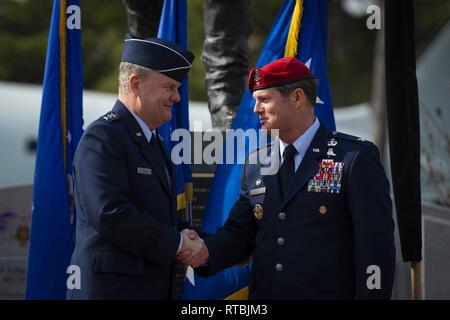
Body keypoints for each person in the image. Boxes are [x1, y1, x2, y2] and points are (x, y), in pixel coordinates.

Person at [178, 57, 396, 299]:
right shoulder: (256, 164)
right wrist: (204, 250)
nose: (255, 109)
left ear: (297, 98)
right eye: (255, 101)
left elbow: (375, 249)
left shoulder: (353, 157)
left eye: (264, 99)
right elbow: (241, 234)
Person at [67, 37, 207, 299]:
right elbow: (110, 213)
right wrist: (178, 243)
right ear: (135, 83)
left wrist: (215, 246)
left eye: (177, 88)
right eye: (169, 87)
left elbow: (159, 216)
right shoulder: (104, 137)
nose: (176, 97)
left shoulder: (154, 142)